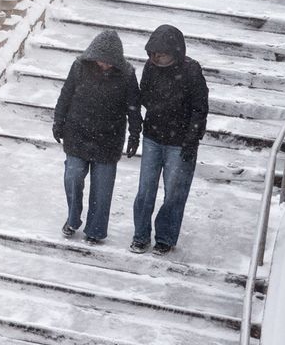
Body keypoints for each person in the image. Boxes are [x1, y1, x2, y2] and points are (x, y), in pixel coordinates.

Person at [52, 28, 141, 244]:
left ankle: (96, 230)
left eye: (109, 61)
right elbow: (66, 95)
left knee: (102, 190)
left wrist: (134, 134)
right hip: (77, 133)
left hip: (108, 139)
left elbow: (133, 107)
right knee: (72, 177)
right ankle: (73, 219)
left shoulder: (127, 75)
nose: (104, 65)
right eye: (101, 60)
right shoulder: (79, 67)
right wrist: (58, 121)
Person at [130, 24, 208, 253]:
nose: (155, 58)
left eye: (160, 54)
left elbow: (200, 107)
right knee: (145, 189)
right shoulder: (150, 68)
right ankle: (140, 235)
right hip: (153, 135)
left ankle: (165, 236)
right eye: (152, 54)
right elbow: (144, 94)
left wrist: (191, 139)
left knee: (174, 192)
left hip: (180, 141)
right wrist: (156, 106)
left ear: (174, 52)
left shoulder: (192, 71)